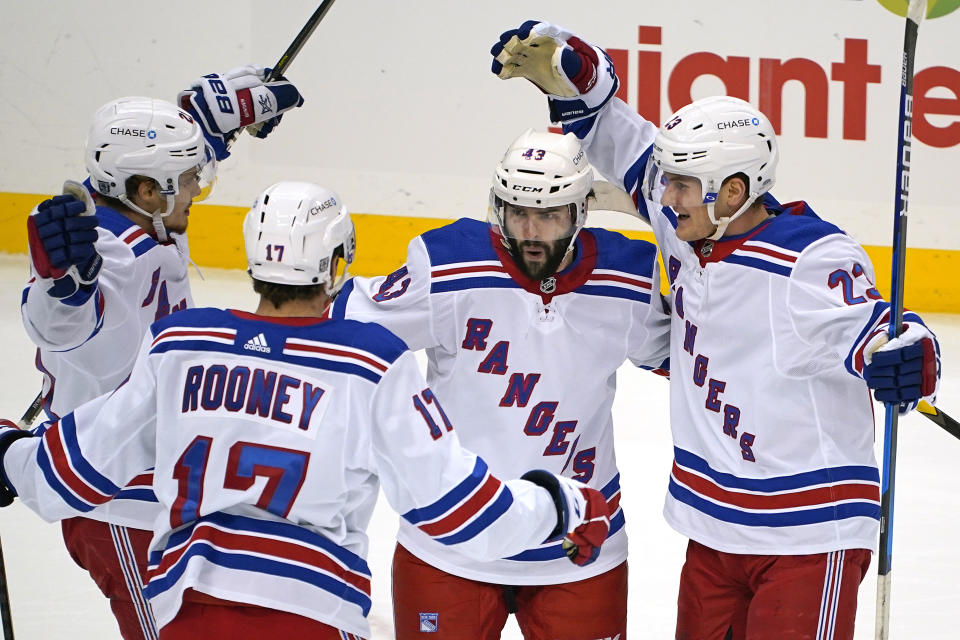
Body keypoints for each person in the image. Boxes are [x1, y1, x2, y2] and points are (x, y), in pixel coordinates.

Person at [0, 181, 613, 639]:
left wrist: (9, 457)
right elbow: (456, 509)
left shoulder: (180, 345)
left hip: (184, 613)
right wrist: (558, 506)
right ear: (337, 265)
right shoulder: (369, 364)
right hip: (311, 614)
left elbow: (74, 467)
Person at [490, 20, 943, 640]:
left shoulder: (811, 259)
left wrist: (910, 357)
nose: (662, 197)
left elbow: (883, 334)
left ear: (733, 191)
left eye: (679, 185)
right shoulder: (691, 217)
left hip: (810, 530)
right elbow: (625, 144)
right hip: (716, 525)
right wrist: (579, 82)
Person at [329, 128, 671, 639]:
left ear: (580, 214)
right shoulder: (448, 266)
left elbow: (689, 357)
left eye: (549, 215)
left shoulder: (628, 278)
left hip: (578, 538)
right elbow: (344, 327)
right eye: (518, 213)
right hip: (450, 537)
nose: (531, 231)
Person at [20, 66, 304, 639]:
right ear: (147, 190)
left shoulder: (145, 209)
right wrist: (63, 289)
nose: (199, 186)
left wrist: (208, 124)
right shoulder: (103, 253)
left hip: (165, 478)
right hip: (115, 500)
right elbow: (57, 325)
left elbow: (159, 166)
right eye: (189, 177)